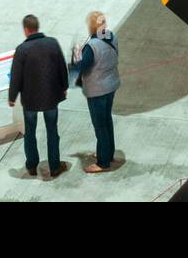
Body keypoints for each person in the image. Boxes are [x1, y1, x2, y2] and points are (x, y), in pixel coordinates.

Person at [8, 14, 70, 178]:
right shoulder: (52, 43)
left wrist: (12, 97)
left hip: (30, 100)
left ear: (26, 30)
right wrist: (64, 86)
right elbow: (62, 67)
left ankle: (32, 166)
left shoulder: (22, 50)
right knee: (52, 131)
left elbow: (16, 76)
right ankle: (55, 166)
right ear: (37, 27)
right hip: (51, 97)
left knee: (30, 132)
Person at [71, 11, 120, 174]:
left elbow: (81, 66)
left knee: (100, 126)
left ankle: (103, 162)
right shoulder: (111, 36)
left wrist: (75, 58)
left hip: (97, 90)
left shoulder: (92, 46)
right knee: (107, 120)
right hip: (111, 85)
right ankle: (108, 153)